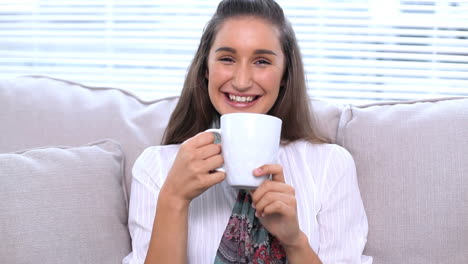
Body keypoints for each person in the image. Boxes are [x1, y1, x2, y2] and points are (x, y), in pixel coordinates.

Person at [123, 0, 371, 263]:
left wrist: (294, 241)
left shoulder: (330, 166)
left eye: (262, 61)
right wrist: (174, 198)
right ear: (206, 69)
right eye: (227, 59)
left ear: (285, 74)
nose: (241, 82)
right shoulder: (156, 169)